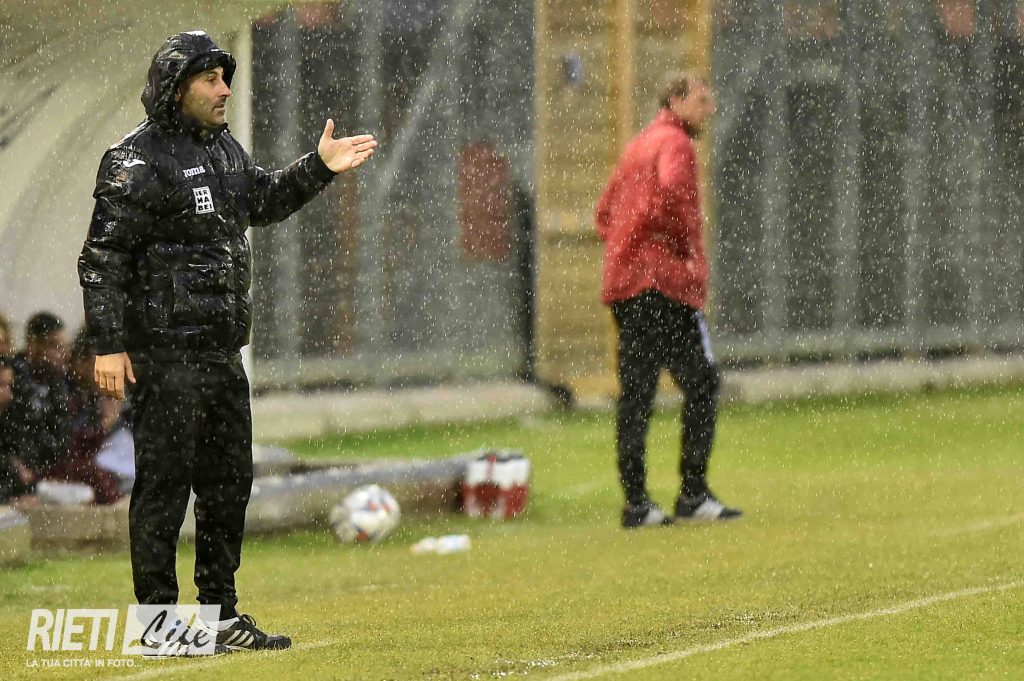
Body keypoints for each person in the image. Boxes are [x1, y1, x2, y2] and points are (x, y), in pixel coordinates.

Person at [78, 30, 376, 653]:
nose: (224, 90)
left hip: (221, 356)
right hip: (166, 358)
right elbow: (103, 257)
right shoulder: (135, 159)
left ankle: (219, 616)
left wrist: (318, 167)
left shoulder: (223, 149)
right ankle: (157, 624)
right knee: (164, 489)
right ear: (176, 88)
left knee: (227, 486)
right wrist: (108, 344)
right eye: (210, 79)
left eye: (225, 78)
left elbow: (262, 200)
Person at [595, 73, 741, 529]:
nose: (709, 110)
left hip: (626, 286)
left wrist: (628, 246)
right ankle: (692, 493)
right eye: (702, 100)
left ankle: (636, 503)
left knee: (636, 394)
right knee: (702, 382)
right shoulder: (676, 145)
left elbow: (604, 214)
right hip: (664, 286)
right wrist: (683, 255)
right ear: (675, 100)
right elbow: (673, 198)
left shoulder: (638, 145)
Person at [12, 312, 72, 476]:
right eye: (55, 346)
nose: (65, 354)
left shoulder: (59, 385)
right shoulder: (10, 380)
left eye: (65, 347)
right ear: (33, 345)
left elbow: (62, 441)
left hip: (45, 474)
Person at [0, 355, 42, 507]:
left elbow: (28, 466)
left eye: (9, 386)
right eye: (1, 385)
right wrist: (8, 500)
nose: (8, 395)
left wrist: (26, 493)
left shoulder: (10, 420)